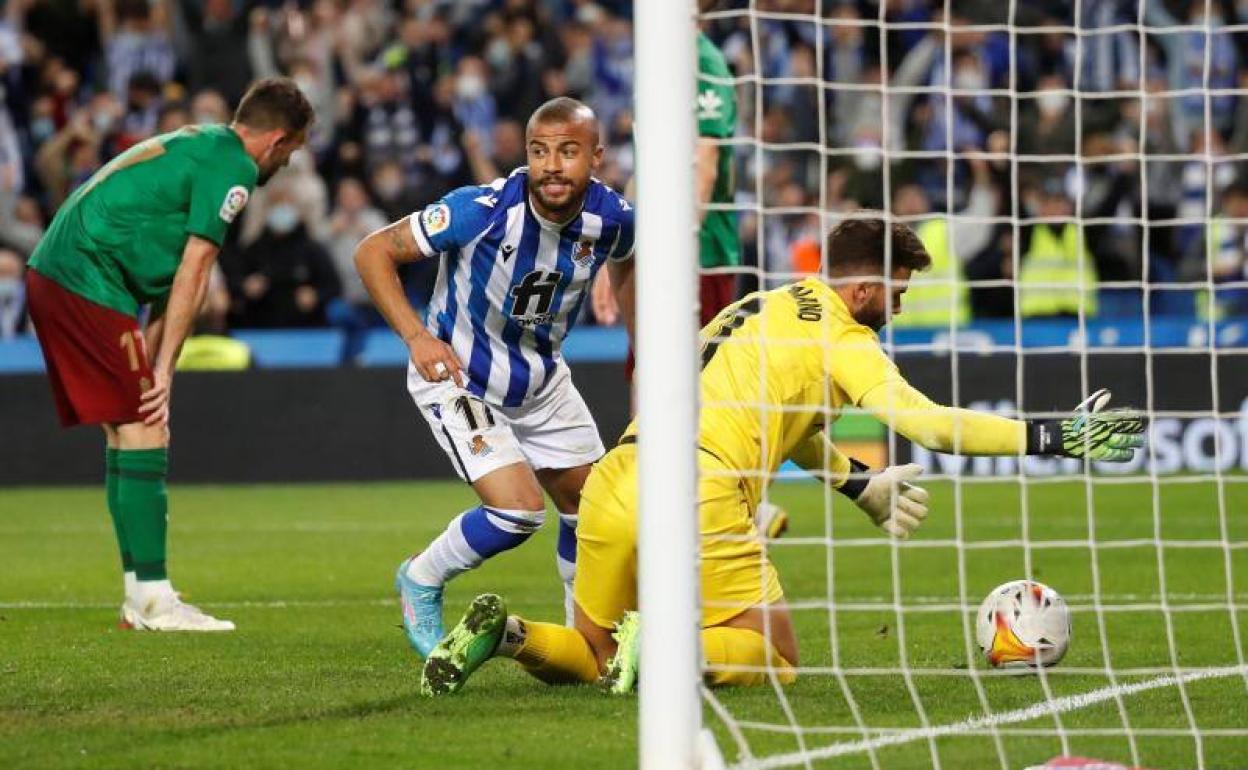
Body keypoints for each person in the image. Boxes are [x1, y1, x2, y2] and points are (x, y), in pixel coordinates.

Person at [417, 215, 1146, 695]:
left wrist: (855, 483)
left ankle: (505, 634)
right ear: (862, 287)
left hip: (620, 474)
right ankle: (672, 647)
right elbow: (929, 426)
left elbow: (788, 420)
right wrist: (1054, 436)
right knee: (780, 659)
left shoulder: (763, 305)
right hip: (701, 490)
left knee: (595, 652)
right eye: (898, 290)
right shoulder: (845, 338)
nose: (901, 305)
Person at [24, 77, 313, 632]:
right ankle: (156, 599)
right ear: (276, 140)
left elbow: (170, 283)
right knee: (143, 426)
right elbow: (196, 268)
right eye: (292, 150)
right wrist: (163, 376)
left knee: (127, 429)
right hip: (84, 276)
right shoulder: (234, 168)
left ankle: (140, 594)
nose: (288, 160)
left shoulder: (202, 143)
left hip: (63, 271)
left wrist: (158, 369)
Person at [353, 97, 635, 659]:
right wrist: (416, 336)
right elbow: (372, 251)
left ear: (596, 158)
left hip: (543, 381)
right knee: (518, 511)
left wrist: (629, 320)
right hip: (461, 376)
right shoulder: (479, 210)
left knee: (592, 510)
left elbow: (628, 257)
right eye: (539, 151)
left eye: (568, 151)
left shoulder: (616, 219)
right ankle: (421, 578)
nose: (552, 165)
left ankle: (585, 633)